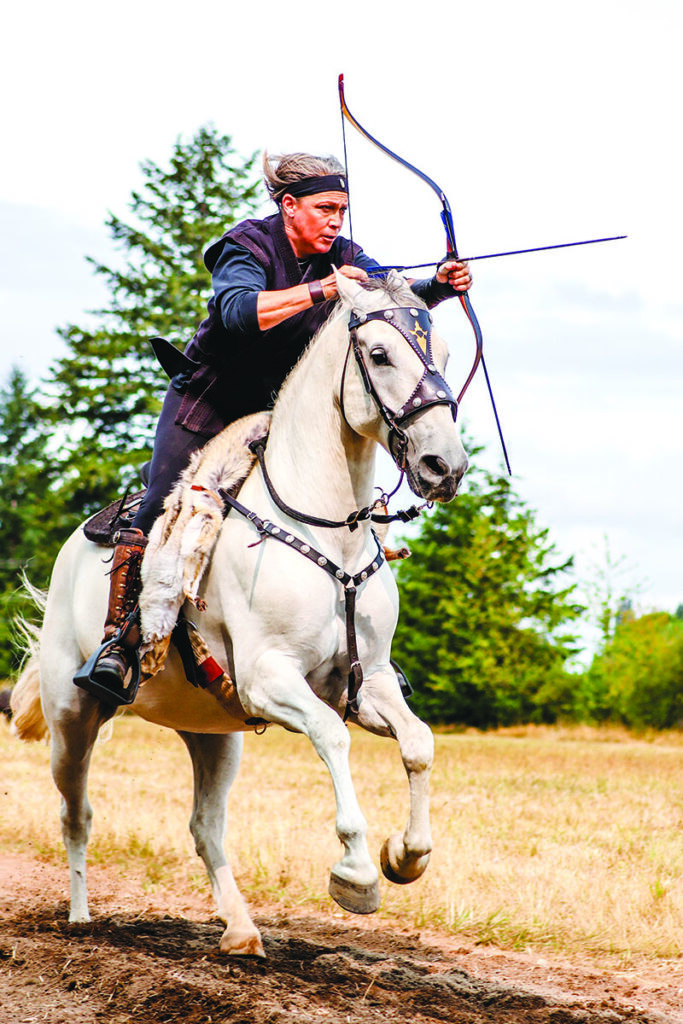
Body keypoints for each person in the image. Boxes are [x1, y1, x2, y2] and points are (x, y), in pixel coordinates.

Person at [86, 151, 472, 696]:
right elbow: (239, 313)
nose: (337, 220)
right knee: (159, 505)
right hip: (210, 401)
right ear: (289, 206)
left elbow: (389, 297)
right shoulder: (246, 245)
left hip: (280, 412)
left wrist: (439, 283)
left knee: (346, 512)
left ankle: (360, 654)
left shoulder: (345, 254)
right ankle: (120, 641)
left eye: (342, 209)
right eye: (325, 208)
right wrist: (322, 290)